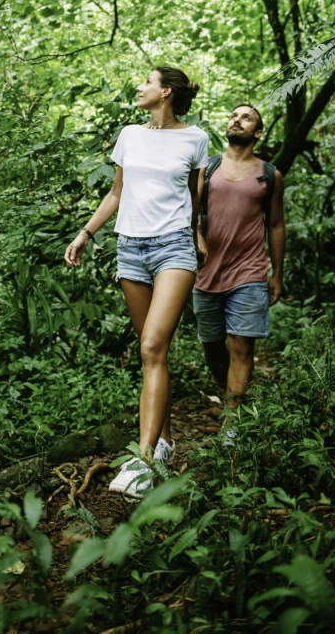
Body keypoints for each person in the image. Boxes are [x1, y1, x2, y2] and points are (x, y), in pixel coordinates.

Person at [64, 67, 208, 498]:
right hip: (131, 249)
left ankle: (143, 461)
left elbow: (197, 197)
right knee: (151, 352)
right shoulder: (130, 134)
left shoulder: (196, 138)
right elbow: (116, 192)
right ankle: (162, 442)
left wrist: (198, 234)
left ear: (165, 92)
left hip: (173, 250)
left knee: (151, 348)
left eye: (146, 82)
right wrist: (85, 233)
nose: (139, 88)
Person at [194, 104, 286, 444]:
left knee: (241, 346)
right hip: (207, 272)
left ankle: (232, 423)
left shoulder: (269, 175)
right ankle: (232, 389)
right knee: (211, 345)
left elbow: (276, 225)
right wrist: (197, 236)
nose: (237, 119)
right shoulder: (208, 167)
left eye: (246, 117)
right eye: (234, 115)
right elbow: (190, 211)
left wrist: (277, 273)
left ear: (257, 133)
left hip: (249, 271)